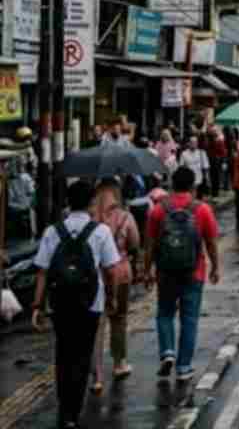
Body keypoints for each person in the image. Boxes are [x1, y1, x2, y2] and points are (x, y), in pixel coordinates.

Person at [30, 179, 124, 429]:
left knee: (63, 354)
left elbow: (42, 272)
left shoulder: (52, 231)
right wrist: (112, 298)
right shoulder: (101, 232)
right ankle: (73, 412)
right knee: (83, 357)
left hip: (60, 304)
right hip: (90, 303)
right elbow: (111, 270)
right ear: (92, 203)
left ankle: (64, 408)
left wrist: (37, 306)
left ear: (68, 204)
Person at [144, 167, 220, 383]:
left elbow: (149, 245)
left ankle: (167, 351)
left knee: (165, 314)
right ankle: (184, 366)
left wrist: (147, 270)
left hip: (165, 272)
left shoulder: (158, 210)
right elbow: (211, 242)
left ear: (172, 185)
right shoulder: (202, 210)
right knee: (189, 319)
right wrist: (215, 267)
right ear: (193, 186)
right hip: (193, 273)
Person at [90, 177, 141, 390]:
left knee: (96, 325)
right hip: (121, 272)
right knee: (119, 319)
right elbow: (135, 244)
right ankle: (119, 363)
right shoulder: (125, 217)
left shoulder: (90, 219)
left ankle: (97, 377)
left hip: (96, 275)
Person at [205, 125, 227, 197]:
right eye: (212, 132)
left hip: (215, 161)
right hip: (210, 160)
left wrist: (223, 160)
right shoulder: (210, 141)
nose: (212, 133)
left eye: (214, 132)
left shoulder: (218, 141)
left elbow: (223, 152)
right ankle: (213, 192)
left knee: (215, 178)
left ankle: (215, 193)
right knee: (211, 177)